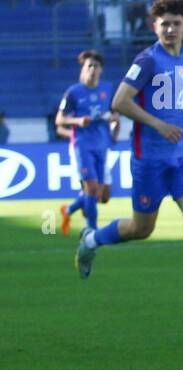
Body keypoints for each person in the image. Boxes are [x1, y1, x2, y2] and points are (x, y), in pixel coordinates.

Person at [75, 0, 183, 314]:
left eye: (176, 24)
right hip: (150, 161)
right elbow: (120, 102)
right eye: (164, 24)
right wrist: (158, 124)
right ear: (154, 27)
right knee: (141, 229)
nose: (170, 30)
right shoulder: (147, 61)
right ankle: (91, 240)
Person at [55, 50, 117, 235]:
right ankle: (91, 230)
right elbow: (59, 120)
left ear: (101, 70)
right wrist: (77, 121)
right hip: (82, 144)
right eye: (88, 66)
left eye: (95, 66)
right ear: (83, 69)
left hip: (101, 144)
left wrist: (113, 121)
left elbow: (115, 115)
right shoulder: (73, 92)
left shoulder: (107, 89)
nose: (92, 69)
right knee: (91, 188)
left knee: (101, 194)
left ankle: (69, 210)